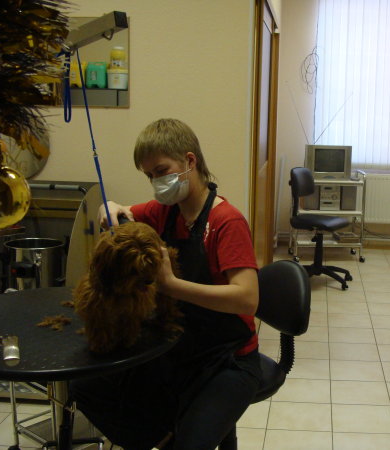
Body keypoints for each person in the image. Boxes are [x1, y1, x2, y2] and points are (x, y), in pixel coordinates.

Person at [70, 118, 261, 449]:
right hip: (178, 348)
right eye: (150, 176)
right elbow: (123, 211)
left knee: (192, 442)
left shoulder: (225, 222)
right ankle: (163, 438)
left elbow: (247, 299)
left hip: (229, 360)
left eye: (161, 171)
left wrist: (171, 285)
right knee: (87, 388)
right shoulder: (166, 211)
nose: (157, 182)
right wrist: (110, 207)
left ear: (190, 161)